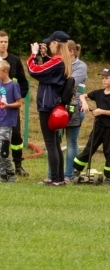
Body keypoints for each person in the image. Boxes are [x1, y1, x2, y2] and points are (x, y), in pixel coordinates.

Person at [27, 30, 73, 186]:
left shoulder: (57, 61)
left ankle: (54, 178)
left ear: (56, 44)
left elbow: (35, 70)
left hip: (47, 105)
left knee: (50, 143)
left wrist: (33, 55)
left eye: (51, 43)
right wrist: (45, 56)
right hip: (55, 105)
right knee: (55, 143)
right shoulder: (63, 62)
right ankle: (59, 177)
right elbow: (49, 72)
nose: (49, 45)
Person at [70, 67, 110, 183]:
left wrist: (102, 111)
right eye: (103, 78)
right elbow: (82, 96)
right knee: (89, 148)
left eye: (106, 78)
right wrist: (84, 103)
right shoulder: (98, 93)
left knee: (109, 151)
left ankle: (109, 177)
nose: (104, 80)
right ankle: (76, 170)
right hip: (98, 126)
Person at [0, 31, 30, 177]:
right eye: (1, 42)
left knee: (16, 135)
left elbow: (23, 82)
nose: (3, 44)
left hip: (11, 108)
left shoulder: (14, 60)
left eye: (5, 41)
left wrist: (18, 96)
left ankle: (18, 164)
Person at [65, 40, 88, 178]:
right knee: (56, 141)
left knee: (71, 142)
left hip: (75, 108)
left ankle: (68, 175)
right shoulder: (61, 64)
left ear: (71, 52)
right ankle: (54, 174)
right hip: (60, 107)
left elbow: (70, 84)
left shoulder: (81, 66)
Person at [0, 59, 23, 182]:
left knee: (3, 149)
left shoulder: (14, 85)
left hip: (7, 122)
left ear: (4, 72)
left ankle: (11, 173)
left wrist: (7, 105)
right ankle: (3, 174)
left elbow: (19, 103)